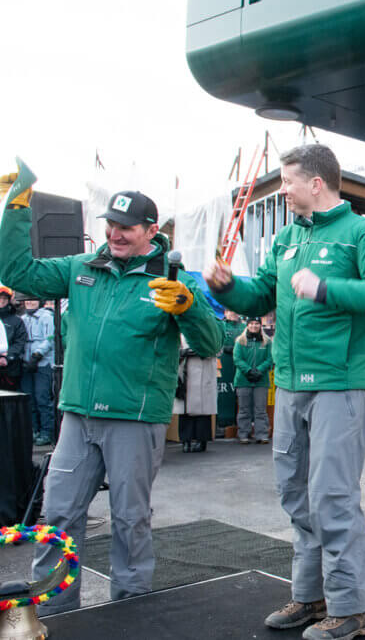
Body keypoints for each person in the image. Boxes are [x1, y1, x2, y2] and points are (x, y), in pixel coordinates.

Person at [204, 143, 365, 640]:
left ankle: (356, 607)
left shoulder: (361, 233)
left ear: (315, 183)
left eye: (287, 181)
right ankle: (312, 597)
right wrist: (227, 287)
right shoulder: (285, 240)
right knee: (295, 494)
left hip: (340, 386)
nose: (283, 190)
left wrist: (325, 288)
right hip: (292, 384)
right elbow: (260, 296)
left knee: (332, 497)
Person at [0, 171, 222, 615]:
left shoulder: (173, 279)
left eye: (127, 227)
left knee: (129, 519)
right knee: (58, 517)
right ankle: (56, 614)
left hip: (135, 420)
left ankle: (130, 612)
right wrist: (16, 208)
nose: (115, 234)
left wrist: (190, 307)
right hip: (78, 417)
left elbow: (213, 343)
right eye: (111, 225)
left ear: (151, 231)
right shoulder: (82, 268)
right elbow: (15, 270)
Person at [18, 293, 55, 445]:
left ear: (39, 301)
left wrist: (37, 354)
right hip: (26, 363)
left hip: (42, 363)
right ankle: (33, 429)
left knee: (42, 398)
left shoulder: (47, 317)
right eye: (27, 300)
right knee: (29, 398)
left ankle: (47, 432)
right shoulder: (23, 319)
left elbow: (50, 338)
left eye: (33, 300)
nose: (30, 302)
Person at [233, 316, 273, 443]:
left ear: (260, 325)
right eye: (251, 323)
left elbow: (270, 359)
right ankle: (244, 434)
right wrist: (249, 370)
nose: (254, 326)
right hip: (243, 380)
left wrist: (260, 370)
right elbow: (237, 359)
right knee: (244, 410)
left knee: (260, 410)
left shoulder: (267, 342)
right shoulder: (240, 341)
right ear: (247, 325)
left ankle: (261, 435)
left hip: (261, 381)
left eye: (256, 323)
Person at [0, 286, 28, 392]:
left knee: (10, 402)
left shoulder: (17, 321)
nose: (2, 301)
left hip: (10, 369)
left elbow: (20, 342)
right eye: (0, 298)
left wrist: (7, 357)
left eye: (5, 299)